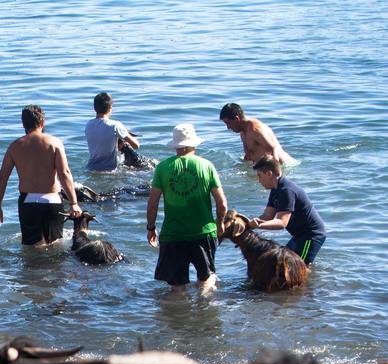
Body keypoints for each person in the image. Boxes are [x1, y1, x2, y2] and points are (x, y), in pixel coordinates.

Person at [146, 123, 227, 293]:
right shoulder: (206, 166)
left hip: (173, 234)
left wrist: (151, 228)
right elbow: (222, 204)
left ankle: (179, 317)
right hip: (203, 232)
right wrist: (220, 223)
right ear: (194, 143)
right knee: (206, 278)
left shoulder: (162, 167)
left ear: (175, 144)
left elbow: (153, 204)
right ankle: (205, 311)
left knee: (177, 287)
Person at [0, 105, 81, 246]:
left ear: (23, 124)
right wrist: (74, 203)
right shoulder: (54, 143)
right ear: (42, 123)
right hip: (53, 201)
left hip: (28, 202)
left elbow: (2, 178)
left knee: (32, 250)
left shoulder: (15, 146)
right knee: (55, 247)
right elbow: (64, 173)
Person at [248, 155, 326, 264]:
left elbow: (282, 223)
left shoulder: (286, 191)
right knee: (283, 262)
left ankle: (309, 281)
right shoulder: (275, 189)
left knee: (298, 267)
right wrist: (248, 223)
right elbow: (267, 216)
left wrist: (258, 225)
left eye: (259, 176)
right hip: (298, 235)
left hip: (311, 235)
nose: (258, 181)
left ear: (269, 174)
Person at [219, 103, 296, 165]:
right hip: (263, 167)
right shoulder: (243, 131)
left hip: (284, 166)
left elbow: (273, 149)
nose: (228, 127)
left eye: (228, 123)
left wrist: (275, 173)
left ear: (237, 119)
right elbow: (249, 154)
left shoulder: (255, 130)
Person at [85, 92, 140, 172]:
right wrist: (125, 132)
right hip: (109, 170)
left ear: (94, 108)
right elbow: (136, 145)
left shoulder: (88, 124)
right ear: (110, 108)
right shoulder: (115, 125)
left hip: (91, 168)